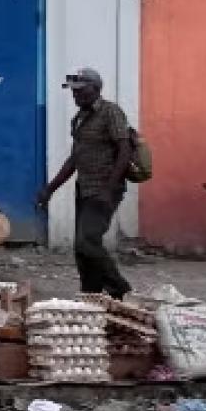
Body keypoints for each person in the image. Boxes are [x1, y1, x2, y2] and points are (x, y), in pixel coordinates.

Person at [37, 67, 134, 299]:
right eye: (74, 91)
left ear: (96, 89)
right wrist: (50, 189)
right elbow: (74, 159)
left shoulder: (111, 112)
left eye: (81, 91)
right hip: (85, 188)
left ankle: (119, 287)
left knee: (88, 242)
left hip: (104, 189)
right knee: (81, 250)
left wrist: (110, 189)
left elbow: (124, 150)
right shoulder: (79, 119)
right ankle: (91, 293)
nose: (76, 96)